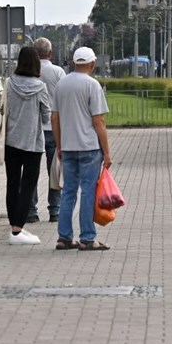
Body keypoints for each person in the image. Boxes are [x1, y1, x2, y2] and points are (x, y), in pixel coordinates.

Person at [51, 46, 112, 251]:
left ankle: (64, 237)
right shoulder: (92, 85)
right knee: (88, 192)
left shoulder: (61, 84)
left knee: (68, 192)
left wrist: (60, 145)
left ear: (73, 63)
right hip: (89, 147)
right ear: (92, 64)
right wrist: (107, 151)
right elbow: (99, 121)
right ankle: (87, 238)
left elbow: (55, 118)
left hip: (68, 147)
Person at [4, 46, 51, 246]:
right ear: (36, 64)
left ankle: (14, 226)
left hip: (11, 141)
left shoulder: (9, 83)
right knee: (28, 186)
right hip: (32, 143)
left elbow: (4, 108)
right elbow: (46, 114)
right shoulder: (40, 87)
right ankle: (18, 229)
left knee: (12, 183)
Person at [28, 37, 66, 224]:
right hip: (54, 128)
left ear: (34, 54)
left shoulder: (30, 72)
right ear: (50, 54)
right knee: (55, 171)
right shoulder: (58, 72)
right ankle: (55, 211)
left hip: (33, 129)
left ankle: (31, 211)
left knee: (31, 170)